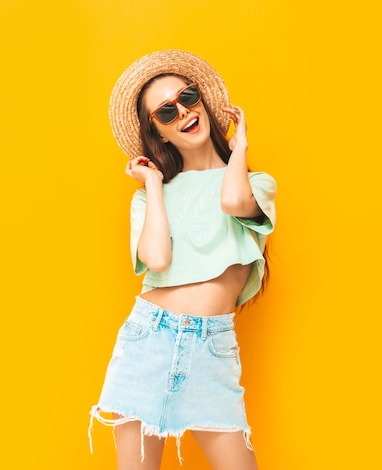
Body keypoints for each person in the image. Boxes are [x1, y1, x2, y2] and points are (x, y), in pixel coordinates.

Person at [89, 49, 277, 470]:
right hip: (147, 341)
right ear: (159, 134)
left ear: (204, 102)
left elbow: (231, 201)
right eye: (166, 113)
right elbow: (156, 258)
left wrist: (239, 144)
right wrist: (154, 183)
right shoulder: (148, 197)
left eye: (188, 97)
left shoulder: (255, 184)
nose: (184, 113)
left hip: (213, 347)